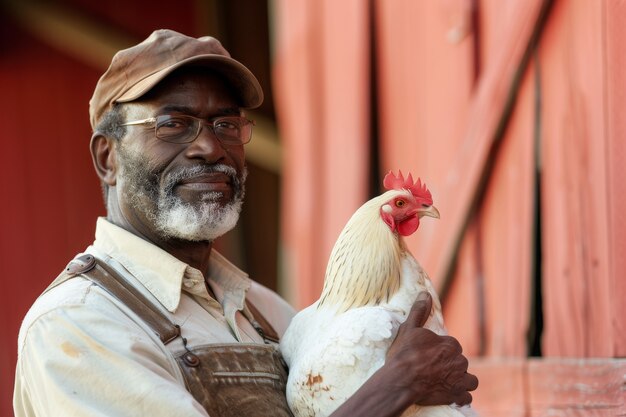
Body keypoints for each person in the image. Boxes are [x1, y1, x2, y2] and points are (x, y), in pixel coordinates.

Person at [13, 29, 478, 417]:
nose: (210, 148)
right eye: (173, 124)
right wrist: (392, 388)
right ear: (107, 157)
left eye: (227, 125)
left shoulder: (268, 315)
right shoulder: (80, 325)